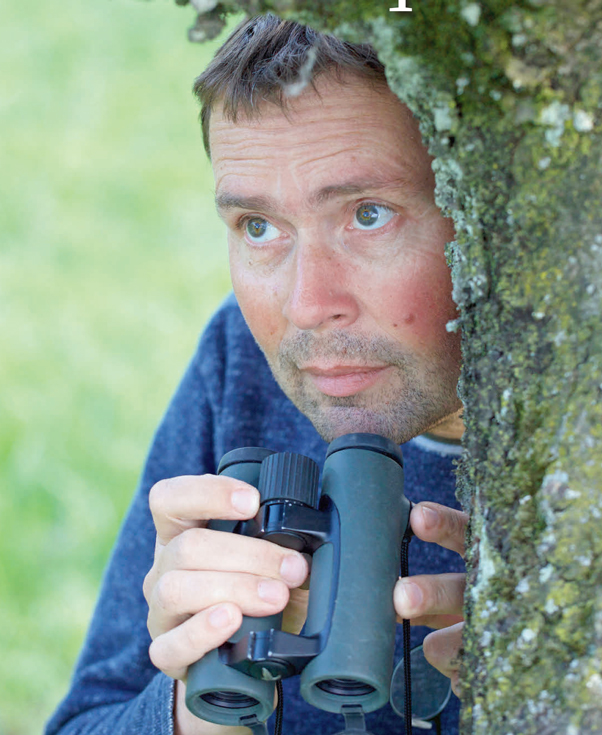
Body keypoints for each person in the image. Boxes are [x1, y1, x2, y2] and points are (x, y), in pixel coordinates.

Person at [46, 14, 469, 735]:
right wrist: (195, 711)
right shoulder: (243, 359)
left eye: (369, 215)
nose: (306, 305)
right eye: (258, 227)